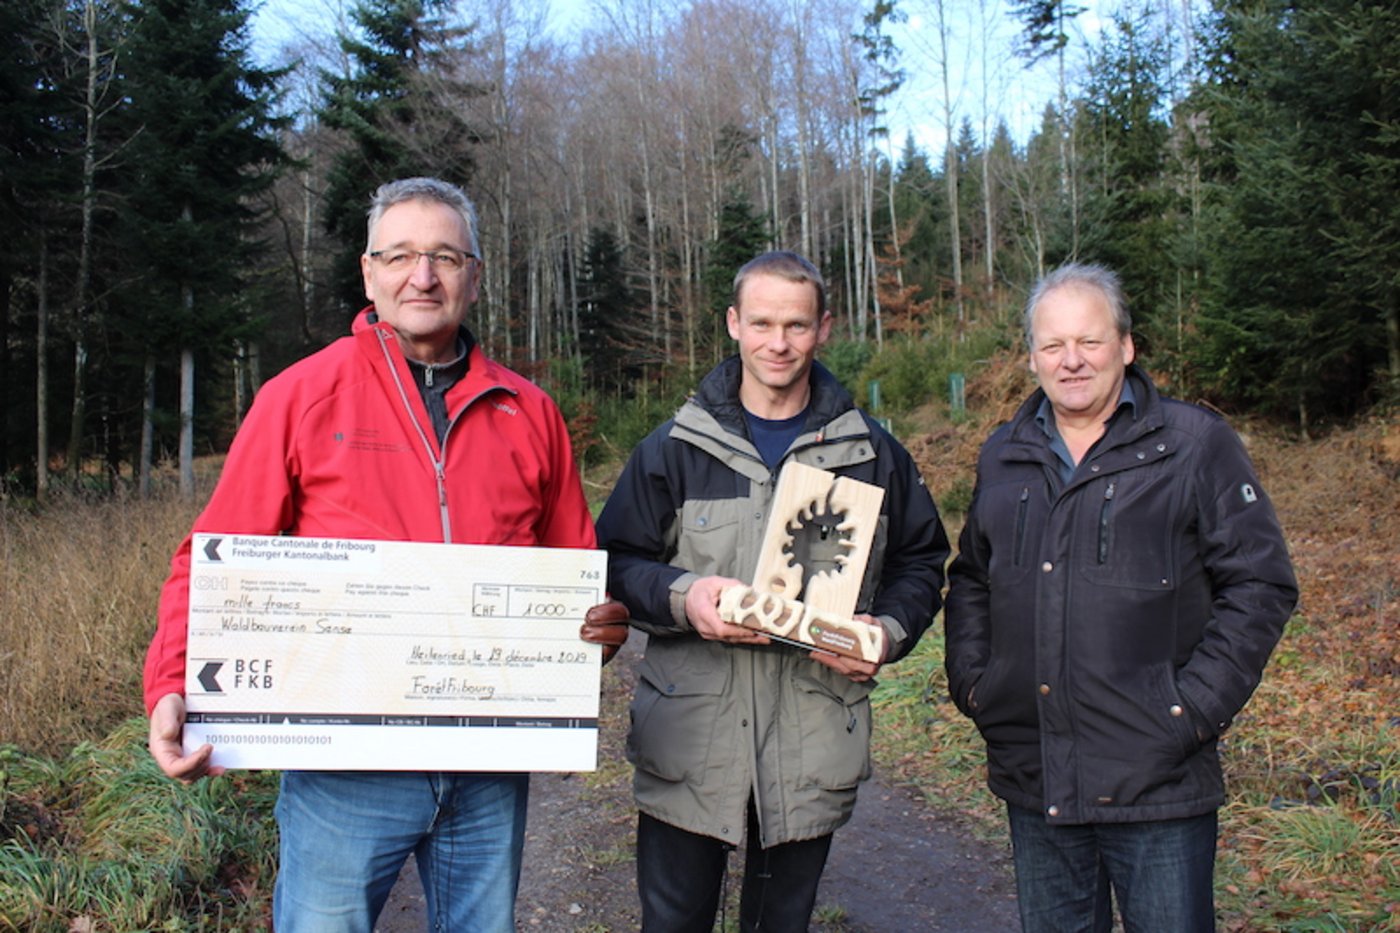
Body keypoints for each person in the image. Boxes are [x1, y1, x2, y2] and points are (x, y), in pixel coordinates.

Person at [143, 176, 621, 932]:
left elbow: (575, 569)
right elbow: (212, 559)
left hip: (488, 766)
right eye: (399, 255)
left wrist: (595, 636)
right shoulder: (300, 397)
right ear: (368, 273)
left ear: (475, 274)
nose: (421, 276)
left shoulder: (531, 414)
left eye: (443, 256)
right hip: (343, 768)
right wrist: (173, 682)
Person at [595, 250, 950, 933]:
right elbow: (615, 560)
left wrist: (888, 631)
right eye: (761, 322)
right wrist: (685, 597)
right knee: (672, 922)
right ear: (733, 323)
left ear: (824, 328)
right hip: (691, 737)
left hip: (810, 737)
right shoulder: (674, 448)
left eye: (795, 324)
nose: (777, 342)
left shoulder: (871, 452)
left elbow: (922, 560)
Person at [944, 262, 1299, 932]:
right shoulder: (1004, 455)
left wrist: (1188, 711)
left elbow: (1261, 583)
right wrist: (977, 682)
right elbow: (971, 577)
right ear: (1032, 357)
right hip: (1038, 772)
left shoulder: (1194, 445)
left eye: (1090, 340)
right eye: (1053, 345)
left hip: (1159, 781)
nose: (1072, 360)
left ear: (1126, 346)